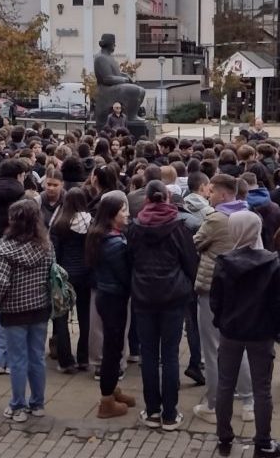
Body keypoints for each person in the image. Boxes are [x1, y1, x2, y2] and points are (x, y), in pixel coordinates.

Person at [211, 211, 280, 458]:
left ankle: (223, 434)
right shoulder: (272, 262)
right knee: (261, 388)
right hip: (261, 332)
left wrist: (221, 320)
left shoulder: (224, 261)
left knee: (225, 384)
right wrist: (277, 328)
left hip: (231, 331)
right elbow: (278, 302)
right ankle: (263, 440)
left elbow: (216, 299)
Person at [127, 180, 199, 431]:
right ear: (167, 198)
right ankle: (170, 412)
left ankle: (153, 410)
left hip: (144, 296)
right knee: (169, 355)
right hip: (173, 296)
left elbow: (130, 260)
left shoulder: (135, 227)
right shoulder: (179, 228)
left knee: (148, 355)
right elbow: (190, 262)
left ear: (146, 199)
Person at [193, 174, 255, 424]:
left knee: (213, 347)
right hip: (241, 289)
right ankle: (249, 400)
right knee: (239, 344)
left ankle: (214, 404)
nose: (209, 195)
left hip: (213, 287)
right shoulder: (250, 216)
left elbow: (196, 242)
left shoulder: (217, 219)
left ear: (222, 194)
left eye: (212, 191)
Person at [0, 199, 55, 423]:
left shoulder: (6, 250)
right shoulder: (47, 246)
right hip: (40, 309)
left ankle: (17, 405)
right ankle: (37, 403)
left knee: (17, 360)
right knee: (37, 357)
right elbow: (51, 276)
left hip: (14, 312)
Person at [86, 194, 137, 418]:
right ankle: (106, 401)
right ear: (111, 215)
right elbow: (125, 275)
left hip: (107, 295)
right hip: (113, 297)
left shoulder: (102, 236)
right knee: (112, 349)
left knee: (113, 346)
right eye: (123, 211)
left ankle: (112, 388)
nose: (127, 214)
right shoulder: (114, 244)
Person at [49, 187, 93, 373]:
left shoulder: (60, 223)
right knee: (85, 317)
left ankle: (65, 359)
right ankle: (83, 357)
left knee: (61, 317)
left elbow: (54, 252)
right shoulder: (91, 222)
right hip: (86, 273)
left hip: (64, 274)